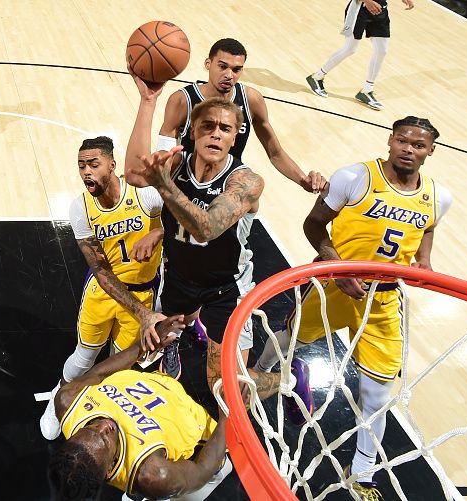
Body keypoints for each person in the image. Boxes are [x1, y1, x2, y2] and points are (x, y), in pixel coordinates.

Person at [255, 116, 452, 500]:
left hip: (382, 301)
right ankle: (258, 371)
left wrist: (424, 260)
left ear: (430, 152)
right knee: (288, 338)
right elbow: (313, 226)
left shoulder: (437, 196)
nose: (409, 149)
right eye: (403, 141)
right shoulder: (353, 177)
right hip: (333, 288)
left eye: (418, 145)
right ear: (391, 141)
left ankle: (362, 470)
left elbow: (427, 227)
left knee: (377, 395)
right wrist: (336, 264)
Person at [125, 72, 314, 426]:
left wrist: (164, 186)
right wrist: (148, 101)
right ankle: (178, 342)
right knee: (158, 338)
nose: (215, 133)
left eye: (224, 129)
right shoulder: (177, 163)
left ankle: (288, 379)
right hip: (179, 274)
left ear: (234, 137)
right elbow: (135, 172)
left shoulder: (246, 181)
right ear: (192, 131)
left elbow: (207, 227)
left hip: (225, 288)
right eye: (207, 125)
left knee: (223, 387)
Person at [158, 37, 327, 356]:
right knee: (183, 271)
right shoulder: (183, 100)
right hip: (185, 190)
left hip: (227, 199)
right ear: (208, 64)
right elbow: (163, 154)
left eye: (237, 69)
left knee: (217, 263)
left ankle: (208, 327)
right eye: (222, 66)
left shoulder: (251, 99)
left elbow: (274, 150)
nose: (229, 75)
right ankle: (184, 326)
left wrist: (303, 179)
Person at [40, 136, 169, 441]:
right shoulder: (80, 208)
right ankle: (56, 399)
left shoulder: (146, 196)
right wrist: (142, 313)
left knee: (121, 366)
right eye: (81, 166)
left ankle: (105, 415)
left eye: (93, 164)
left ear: (112, 165)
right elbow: (99, 268)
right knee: (85, 355)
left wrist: (158, 232)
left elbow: (180, 225)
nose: (86, 172)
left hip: (143, 291)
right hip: (104, 291)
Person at [47, 315, 235, 501]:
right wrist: (228, 414)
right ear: (110, 468)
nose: (104, 425)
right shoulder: (155, 473)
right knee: (208, 475)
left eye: (91, 427)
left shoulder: (68, 399)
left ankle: (139, 493)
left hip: (158, 381)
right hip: (198, 426)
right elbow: (201, 470)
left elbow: (100, 372)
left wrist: (144, 346)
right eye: (105, 438)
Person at [306, 0, 415, 110]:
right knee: (350, 49)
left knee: (382, 51)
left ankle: (367, 90)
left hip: (380, 10)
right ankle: (317, 77)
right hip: (360, 10)